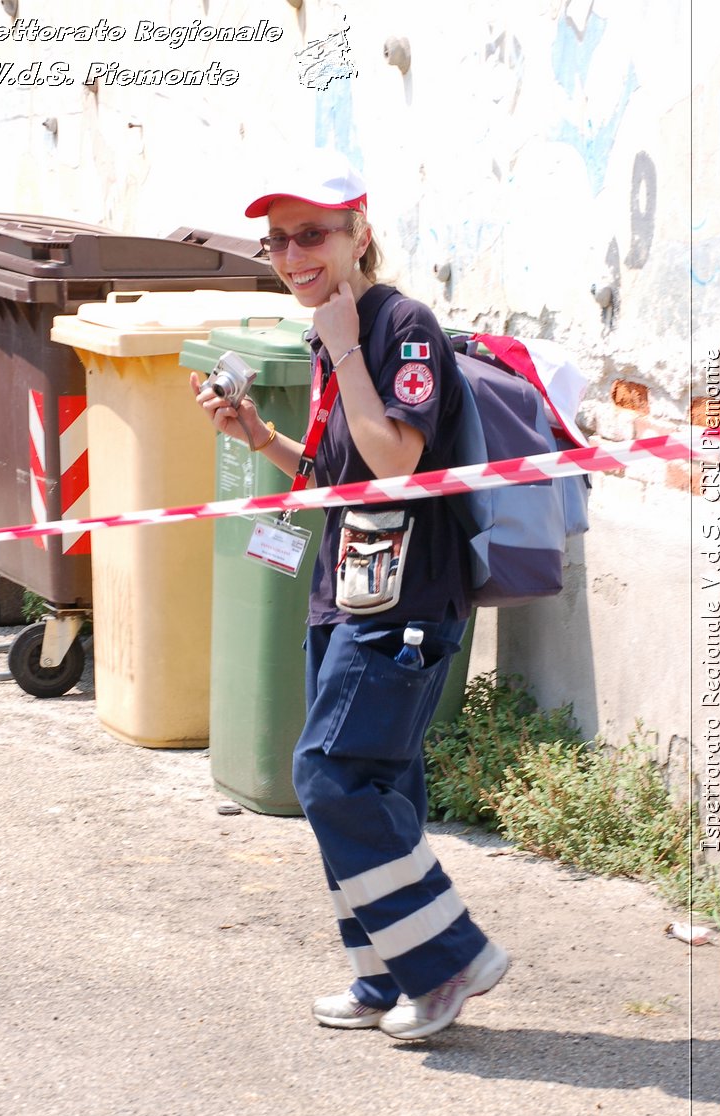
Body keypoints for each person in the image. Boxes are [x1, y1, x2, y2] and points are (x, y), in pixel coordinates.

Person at [191, 147, 508, 1040]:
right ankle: (382, 975)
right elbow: (345, 474)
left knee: (327, 775)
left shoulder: (400, 325)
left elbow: (399, 460)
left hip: (406, 600)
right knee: (381, 787)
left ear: (359, 233)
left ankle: (448, 961)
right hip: (348, 588)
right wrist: (260, 435)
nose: (294, 256)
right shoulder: (331, 330)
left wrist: (342, 349)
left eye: (313, 235)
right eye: (278, 241)